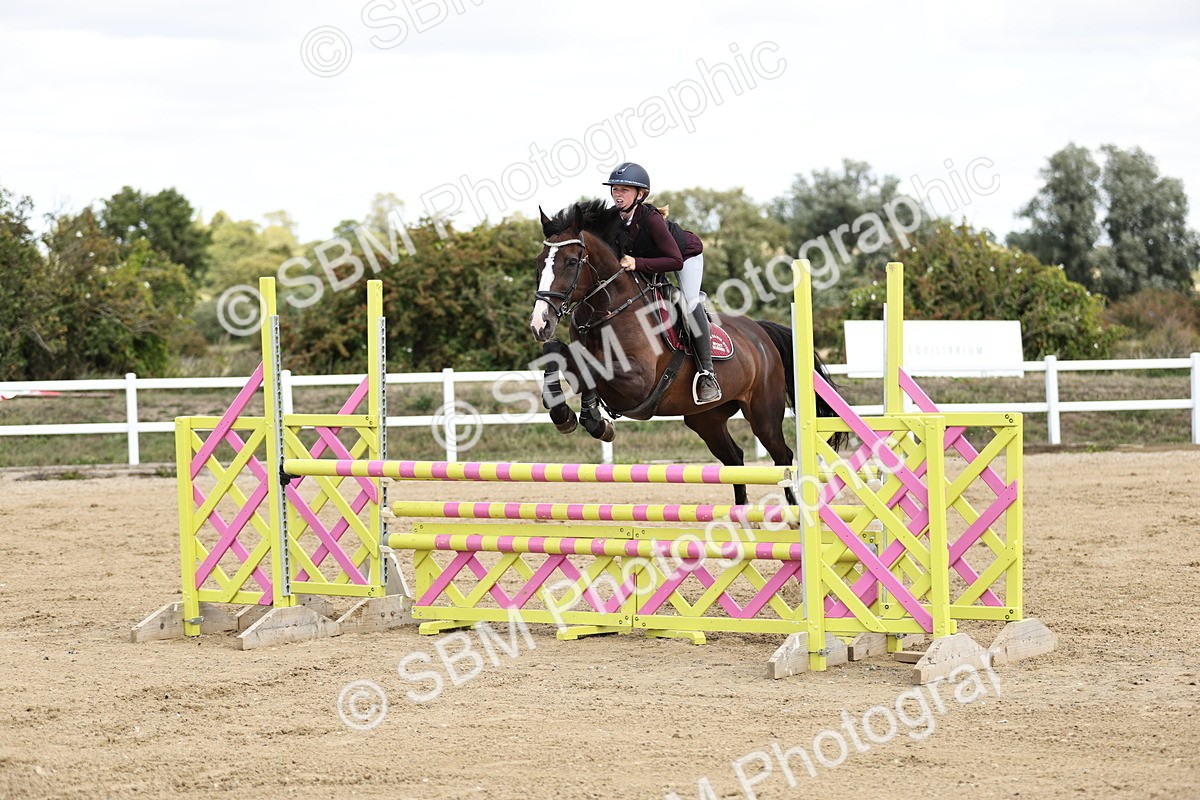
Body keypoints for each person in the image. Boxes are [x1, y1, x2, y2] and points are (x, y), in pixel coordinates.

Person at [603, 162, 722, 404]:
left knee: (688, 301)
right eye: (615, 189)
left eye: (624, 190)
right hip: (654, 260)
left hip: (684, 256)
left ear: (640, 194)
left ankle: (707, 374)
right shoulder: (615, 220)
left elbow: (674, 261)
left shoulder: (651, 219)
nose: (618, 194)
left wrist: (637, 263)